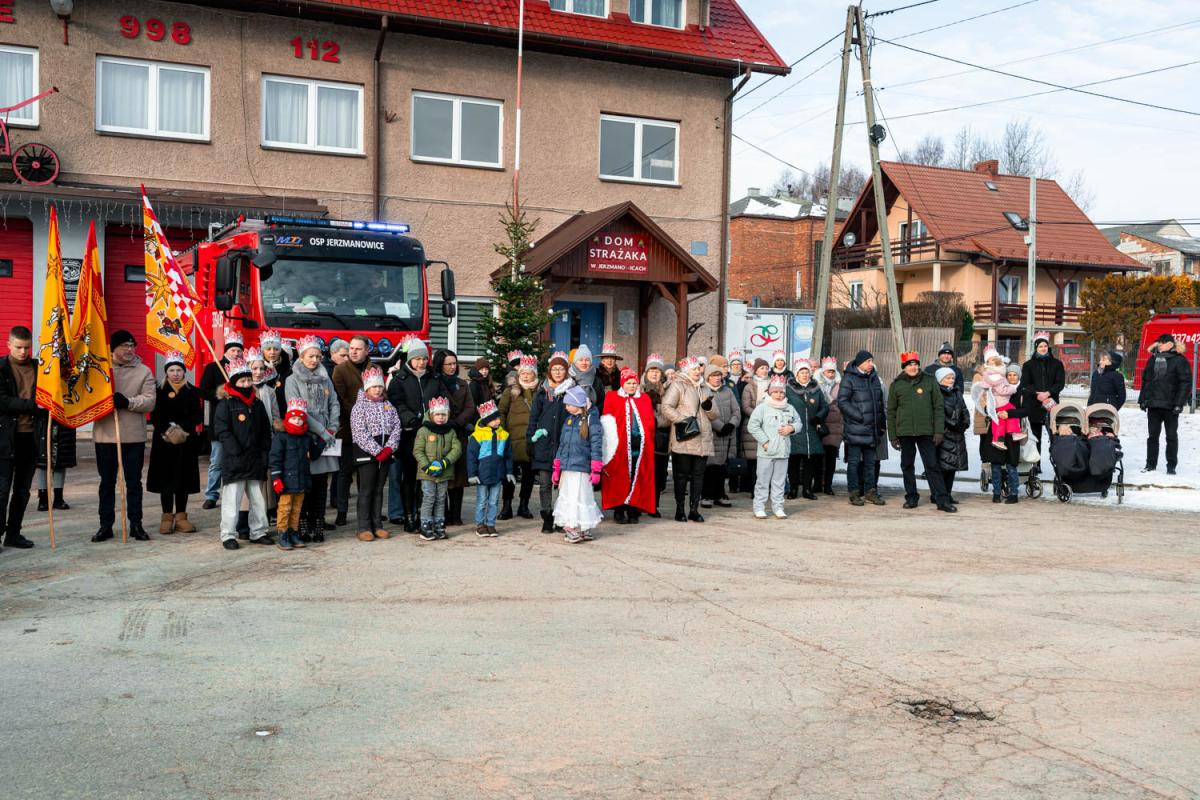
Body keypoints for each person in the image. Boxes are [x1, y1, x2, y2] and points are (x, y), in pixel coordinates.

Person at [92, 330, 156, 542]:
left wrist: (127, 402)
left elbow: (150, 401)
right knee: (107, 483)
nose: (129, 349)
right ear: (113, 349)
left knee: (134, 483)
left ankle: (136, 524)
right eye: (124, 346)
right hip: (105, 436)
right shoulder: (100, 369)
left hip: (133, 437)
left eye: (132, 345)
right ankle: (105, 525)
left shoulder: (144, 371)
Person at [213, 358, 273, 549]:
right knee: (232, 499)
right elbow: (222, 430)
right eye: (242, 381)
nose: (246, 384)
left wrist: (264, 449)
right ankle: (228, 534)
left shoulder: (257, 403)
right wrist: (235, 450)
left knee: (258, 499)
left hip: (255, 458)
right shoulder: (226, 404)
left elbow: (265, 429)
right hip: (235, 460)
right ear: (234, 383)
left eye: (248, 380)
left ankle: (259, 531)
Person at [285, 335, 340, 542]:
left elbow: (334, 403)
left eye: (318, 356)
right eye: (311, 356)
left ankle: (318, 523)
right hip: (305, 435)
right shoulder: (292, 380)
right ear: (301, 357)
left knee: (321, 484)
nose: (315, 360)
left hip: (327, 435)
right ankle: (302, 523)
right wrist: (322, 432)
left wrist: (333, 427)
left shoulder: (326, 378)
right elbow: (299, 411)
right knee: (305, 483)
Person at [888, 352, 955, 513]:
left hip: (927, 431)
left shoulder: (929, 381)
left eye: (915, 364)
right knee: (907, 465)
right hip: (905, 432)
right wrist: (893, 436)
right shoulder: (896, 385)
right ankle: (911, 497)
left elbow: (938, 407)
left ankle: (942, 500)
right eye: (909, 365)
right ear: (904, 367)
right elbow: (891, 412)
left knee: (932, 465)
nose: (913, 367)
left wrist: (938, 431)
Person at [147, 350, 203, 535]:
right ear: (166, 372)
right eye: (172, 370)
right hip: (164, 442)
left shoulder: (192, 391)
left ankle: (181, 517)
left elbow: (197, 415)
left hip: (185, 441)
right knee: (166, 480)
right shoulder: (159, 391)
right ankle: (166, 516)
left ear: (184, 371)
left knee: (182, 479)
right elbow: (155, 415)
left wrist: (182, 429)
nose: (176, 374)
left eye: (179, 370)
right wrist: (168, 430)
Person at [386, 335, 435, 532]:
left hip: (431, 433)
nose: (421, 362)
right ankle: (408, 516)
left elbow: (442, 399)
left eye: (424, 358)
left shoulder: (433, 378)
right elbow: (396, 403)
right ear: (410, 359)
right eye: (417, 359)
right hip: (409, 434)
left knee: (426, 477)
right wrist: (411, 419)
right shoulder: (399, 379)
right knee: (409, 476)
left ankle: (423, 515)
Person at [0, 326, 43, 551]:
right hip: (5, 438)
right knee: (2, 490)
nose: (23, 352)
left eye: (27, 347)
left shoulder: (40, 368)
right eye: (18, 347)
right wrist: (35, 406)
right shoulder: (1, 368)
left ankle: (14, 534)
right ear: (9, 345)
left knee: (23, 490)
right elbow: (3, 401)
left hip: (31, 437)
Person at [661, 355, 719, 522]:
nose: (697, 371)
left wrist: (709, 407)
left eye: (698, 368)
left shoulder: (705, 387)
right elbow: (666, 407)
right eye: (694, 369)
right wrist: (683, 420)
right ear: (687, 370)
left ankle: (694, 510)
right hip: (685, 437)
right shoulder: (678, 385)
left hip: (703, 437)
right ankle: (680, 510)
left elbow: (715, 414)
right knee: (681, 476)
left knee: (698, 476)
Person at [350, 366, 401, 542]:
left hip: (385, 453)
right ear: (367, 388)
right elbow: (359, 432)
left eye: (380, 386)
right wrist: (376, 450)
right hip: (367, 454)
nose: (378, 389)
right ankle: (363, 526)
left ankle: (377, 524)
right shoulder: (359, 407)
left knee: (379, 489)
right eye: (374, 387)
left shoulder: (388, 405)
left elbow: (396, 427)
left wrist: (389, 448)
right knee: (367, 490)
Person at [601, 366, 657, 524]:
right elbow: (607, 421)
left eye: (634, 383)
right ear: (622, 383)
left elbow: (650, 422)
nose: (632, 386)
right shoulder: (612, 397)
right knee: (619, 477)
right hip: (619, 448)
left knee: (637, 477)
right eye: (629, 383)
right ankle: (619, 509)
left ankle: (633, 509)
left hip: (639, 447)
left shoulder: (644, 398)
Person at [427, 349, 476, 526]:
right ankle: (443, 514)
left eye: (454, 363)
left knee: (459, 476)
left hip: (459, 432)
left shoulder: (462, 383)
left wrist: (458, 422)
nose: (452, 367)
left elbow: (470, 407)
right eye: (448, 364)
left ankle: (456, 514)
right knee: (443, 474)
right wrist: (446, 421)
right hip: (440, 432)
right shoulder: (434, 383)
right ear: (440, 365)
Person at [528, 351, 573, 532]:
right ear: (549, 371)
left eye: (561, 369)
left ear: (566, 371)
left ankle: (561, 518)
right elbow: (533, 419)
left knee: (563, 485)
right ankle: (547, 516)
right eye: (554, 369)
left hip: (564, 445)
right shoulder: (542, 393)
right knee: (545, 484)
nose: (558, 372)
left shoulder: (571, 391)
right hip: (544, 445)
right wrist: (530, 440)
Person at [270, 398, 323, 551]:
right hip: (286, 482)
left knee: (297, 509)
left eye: (300, 419)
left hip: (302, 481)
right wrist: (276, 478)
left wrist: (322, 441)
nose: (297, 421)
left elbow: (313, 454)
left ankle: (293, 532)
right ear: (287, 418)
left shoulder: (306, 437)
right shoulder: (281, 437)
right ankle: (283, 534)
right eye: (293, 418)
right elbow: (275, 459)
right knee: (285, 508)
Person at [198, 329, 243, 509]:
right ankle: (211, 495)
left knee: (237, 461)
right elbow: (203, 391)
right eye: (233, 350)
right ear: (226, 351)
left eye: (239, 350)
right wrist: (221, 394)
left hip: (240, 423)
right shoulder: (213, 367)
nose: (236, 353)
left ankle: (233, 495)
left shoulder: (244, 368)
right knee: (216, 461)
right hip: (220, 422)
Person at [553, 385, 603, 543]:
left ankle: (581, 526)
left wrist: (596, 469)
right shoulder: (568, 420)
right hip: (568, 469)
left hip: (582, 468)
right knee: (569, 495)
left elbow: (596, 445)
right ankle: (573, 525)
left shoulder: (591, 420)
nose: (566, 407)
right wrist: (557, 467)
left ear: (579, 404)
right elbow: (562, 444)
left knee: (581, 496)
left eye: (569, 404)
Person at [976, 362, 1032, 503]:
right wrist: (995, 412)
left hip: (1012, 432)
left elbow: (1026, 410)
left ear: (1019, 376)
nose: (1012, 377)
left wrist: (1009, 413)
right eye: (1009, 375)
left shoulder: (1022, 391)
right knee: (995, 464)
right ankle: (996, 493)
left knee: (1011, 465)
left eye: (1015, 375)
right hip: (997, 430)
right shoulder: (997, 387)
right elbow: (987, 406)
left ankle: (1013, 493)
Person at [838, 350, 886, 507]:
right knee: (854, 463)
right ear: (860, 363)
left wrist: (880, 424)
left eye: (872, 361)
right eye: (868, 361)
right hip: (856, 428)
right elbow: (842, 401)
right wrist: (859, 416)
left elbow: (879, 403)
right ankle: (854, 492)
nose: (871, 364)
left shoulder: (874, 378)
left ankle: (870, 491)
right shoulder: (849, 378)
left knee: (870, 463)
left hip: (872, 429)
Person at [332, 334, 371, 527]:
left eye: (358, 349)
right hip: (347, 429)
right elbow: (340, 398)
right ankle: (342, 511)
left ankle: (367, 511)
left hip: (370, 431)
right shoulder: (340, 370)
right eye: (351, 348)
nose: (353, 352)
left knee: (367, 474)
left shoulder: (374, 369)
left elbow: (381, 394)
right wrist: (358, 415)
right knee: (344, 473)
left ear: (366, 350)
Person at [1140, 333, 1192, 475]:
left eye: (1162, 343)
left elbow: (1185, 383)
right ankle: (1150, 464)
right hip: (1153, 405)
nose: (1159, 345)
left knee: (1171, 437)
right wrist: (1143, 400)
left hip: (1170, 406)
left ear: (1170, 344)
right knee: (1152, 437)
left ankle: (1171, 466)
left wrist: (1179, 404)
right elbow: (1146, 380)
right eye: (1158, 342)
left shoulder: (1179, 360)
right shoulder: (1152, 359)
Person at [747, 376, 798, 520]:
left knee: (779, 482)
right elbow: (753, 426)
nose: (779, 395)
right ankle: (759, 507)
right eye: (775, 392)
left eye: (781, 392)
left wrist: (792, 428)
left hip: (783, 452)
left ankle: (778, 507)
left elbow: (798, 423)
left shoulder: (789, 408)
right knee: (762, 481)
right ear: (770, 392)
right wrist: (765, 442)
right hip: (766, 452)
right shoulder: (762, 408)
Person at [415, 396, 461, 541]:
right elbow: (418, 451)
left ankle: (439, 524)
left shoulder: (451, 431)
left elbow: (457, 449)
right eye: (438, 414)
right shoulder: (423, 431)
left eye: (443, 415)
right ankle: (425, 525)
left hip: (444, 472)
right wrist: (427, 466)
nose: (441, 417)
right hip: (427, 473)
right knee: (429, 498)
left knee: (441, 498)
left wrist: (445, 462)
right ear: (431, 414)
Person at [466, 399, 514, 537]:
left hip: (497, 474)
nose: (498, 421)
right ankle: (480, 524)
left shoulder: (504, 435)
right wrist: (472, 474)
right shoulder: (477, 436)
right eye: (494, 419)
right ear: (486, 420)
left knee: (493, 501)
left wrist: (509, 471)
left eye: (498, 418)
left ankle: (491, 524)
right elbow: (471, 457)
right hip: (482, 474)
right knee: (482, 501)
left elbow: (508, 455)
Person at [498, 355, 538, 520]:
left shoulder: (539, 391)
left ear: (535, 374)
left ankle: (524, 505)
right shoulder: (511, 391)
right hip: (512, 439)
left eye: (529, 373)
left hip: (531, 440)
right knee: (509, 474)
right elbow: (501, 412)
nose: (526, 376)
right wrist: (502, 431)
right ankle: (506, 506)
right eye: (523, 373)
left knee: (529, 475)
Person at [785, 360, 828, 501]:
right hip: (794, 430)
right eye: (802, 372)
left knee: (809, 461)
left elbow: (824, 406)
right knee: (794, 461)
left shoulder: (816, 389)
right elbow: (783, 405)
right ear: (796, 374)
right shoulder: (789, 389)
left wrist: (818, 417)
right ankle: (793, 489)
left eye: (807, 372)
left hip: (811, 430)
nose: (804, 375)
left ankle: (807, 489)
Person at [701, 362, 740, 508]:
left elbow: (736, 411)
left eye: (719, 375)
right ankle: (706, 495)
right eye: (714, 375)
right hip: (712, 434)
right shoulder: (704, 391)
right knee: (710, 466)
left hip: (727, 434)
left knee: (722, 466)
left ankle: (720, 494)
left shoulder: (728, 391)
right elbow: (704, 413)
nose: (717, 378)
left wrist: (731, 424)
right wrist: (720, 426)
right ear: (708, 377)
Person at [1021, 333, 1066, 455]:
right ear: (1036, 347)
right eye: (1040, 346)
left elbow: (1060, 383)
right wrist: (1037, 394)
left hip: (1051, 404)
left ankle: (1057, 461)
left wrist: (1048, 393)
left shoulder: (1057, 364)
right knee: (1035, 438)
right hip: (1033, 405)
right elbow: (1025, 384)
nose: (1043, 348)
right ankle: (1036, 462)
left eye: (1045, 346)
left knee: (1055, 436)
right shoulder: (1028, 365)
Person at [640, 354, 670, 517]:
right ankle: (639, 503)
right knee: (642, 471)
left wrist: (654, 421)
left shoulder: (668, 390)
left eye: (657, 371)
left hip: (661, 435)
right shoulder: (638, 388)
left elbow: (669, 414)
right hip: (642, 435)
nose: (654, 373)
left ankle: (653, 505)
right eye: (651, 370)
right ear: (646, 372)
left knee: (658, 472)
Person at [934, 366, 969, 505]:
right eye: (948, 378)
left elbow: (964, 410)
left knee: (953, 466)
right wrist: (952, 424)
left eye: (952, 378)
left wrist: (965, 423)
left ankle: (947, 493)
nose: (951, 380)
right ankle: (939, 494)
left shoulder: (957, 392)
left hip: (957, 435)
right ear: (940, 380)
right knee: (943, 466)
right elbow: (939, 412)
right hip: (944, 434)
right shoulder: (937, 393)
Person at [739, 358, 772, 497]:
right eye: (761, 368)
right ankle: (754, 489)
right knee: (753, 461)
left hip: (770, 425)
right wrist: (759, 416)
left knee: (768, 460)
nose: (764, 370)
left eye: (766, 368)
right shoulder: (749, 386)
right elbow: (746, 407)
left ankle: (766, 489)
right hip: (753, 425)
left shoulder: (772, 384)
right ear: (756, 370)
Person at [816, 357, 843, 496]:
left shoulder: (839, 385)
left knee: (831, 458)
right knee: (818, 457)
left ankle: (828, 485)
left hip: (834, 426)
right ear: (823, 371)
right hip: (820, 423)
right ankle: (817, 484)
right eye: (828, 371)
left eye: (833, 371)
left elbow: (842, 402)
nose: (831, 374)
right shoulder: (817, 384)